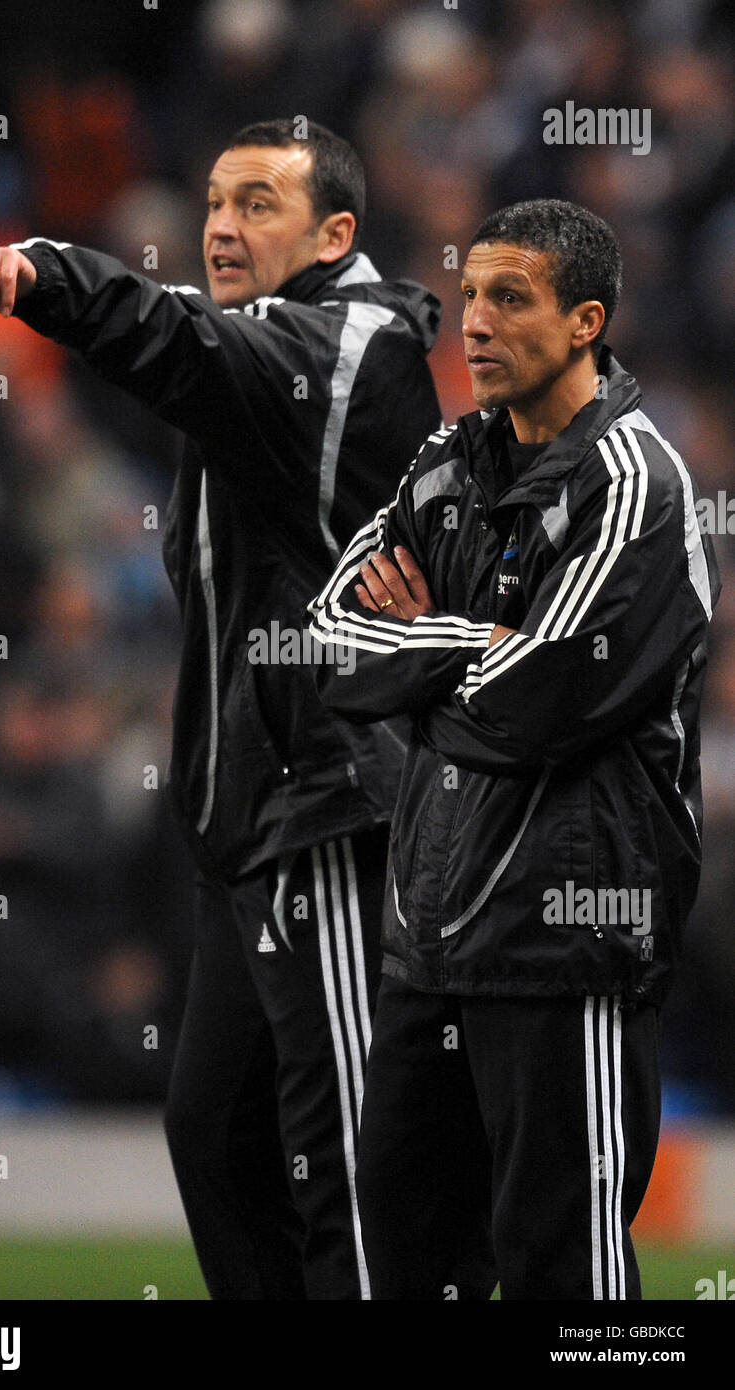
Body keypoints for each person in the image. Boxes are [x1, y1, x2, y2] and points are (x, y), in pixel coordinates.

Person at [0, 119, 443, 1300]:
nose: (218, 224)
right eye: (212, 200)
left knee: (348, 1158)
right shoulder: (255, 351)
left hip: (334, 803)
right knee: (213, 1138)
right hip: (243, 821)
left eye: (257, 203)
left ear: (334, 232)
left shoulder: (352, 348)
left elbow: (168, 337)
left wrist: (43, 272)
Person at [308, 198, 720, 1300]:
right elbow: (327, 644)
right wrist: (468, 644)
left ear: (585, 321)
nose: (474, 321)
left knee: (565, 1273)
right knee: (402, 1262)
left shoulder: (637, 487)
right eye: (470, 294)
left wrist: (422, 648)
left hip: (565, 942)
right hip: (430, 937)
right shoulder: (446, 462)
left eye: (509, 298)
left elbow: (540, 701)